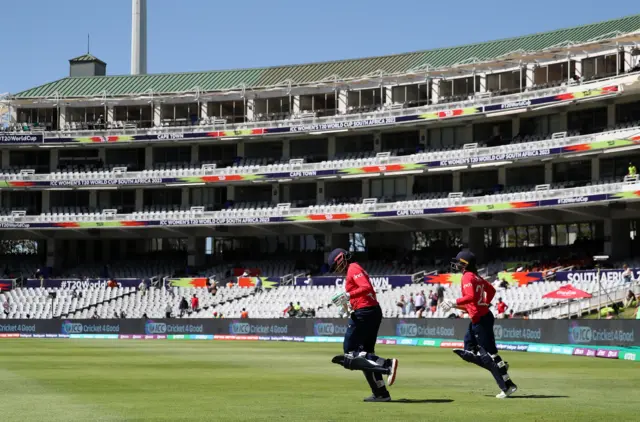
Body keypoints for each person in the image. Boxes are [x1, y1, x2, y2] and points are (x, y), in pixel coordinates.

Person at [441, 249, 517, 399]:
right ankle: (499, 365)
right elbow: (491, 291)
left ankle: (506, 385)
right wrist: (483, 304)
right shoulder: (476, 276)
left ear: (465, 264)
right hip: (481, 317)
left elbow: (470, 297)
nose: (456, 265)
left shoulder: (467, 277)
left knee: (488, 355)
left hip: (480, 320)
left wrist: (453, 302)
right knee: (469, 350)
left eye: (459, 262)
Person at [328, 248, 399, 402]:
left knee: (350, 351)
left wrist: (348, 295)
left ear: (341, 259)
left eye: (335, 266)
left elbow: (366, 287)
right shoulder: (352, 270)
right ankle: (381, 393)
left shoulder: (353, 267)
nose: (336, 270)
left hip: (365, 312)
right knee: (365, 354)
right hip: (369, 311)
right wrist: (346, 306)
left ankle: (387, 365)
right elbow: (361, 292)